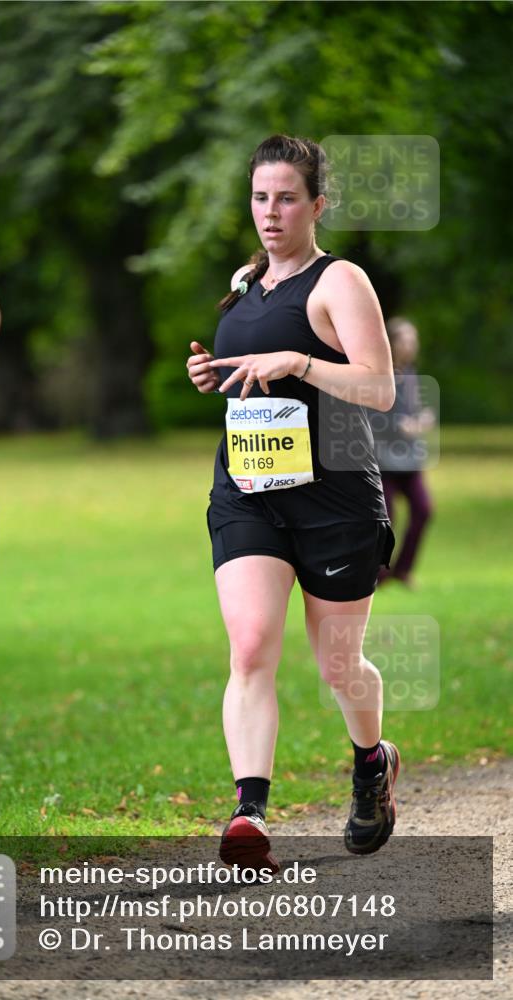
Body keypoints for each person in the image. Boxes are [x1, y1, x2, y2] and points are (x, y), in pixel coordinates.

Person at [186, 134, 399, 873]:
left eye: (284, 198)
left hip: (334, 497)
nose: (269, 213)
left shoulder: (339, 282)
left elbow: (378, 388)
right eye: (258, 197)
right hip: (248, 491)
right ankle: (248, 813)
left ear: (316, 204)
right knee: (249, 647)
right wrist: (211, 374)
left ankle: (370, 762)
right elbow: (249, 371)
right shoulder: (245, 278)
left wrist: (301, 362)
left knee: (339, 668)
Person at [374, 317, 435, 588]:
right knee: (385, 518)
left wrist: (423, 418)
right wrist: (399, 427)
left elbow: (410, 411)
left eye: (415, 340)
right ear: (392, 342)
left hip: (410, 460)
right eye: (406, 340)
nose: (412, 345)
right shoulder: (377, 373)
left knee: (423, 510)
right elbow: (368, 415)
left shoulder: (410, 373)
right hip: (383, 460)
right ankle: (378, 573)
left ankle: (402, 570)